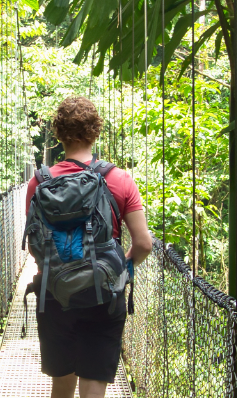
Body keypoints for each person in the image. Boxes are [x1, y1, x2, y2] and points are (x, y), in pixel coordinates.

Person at [24, 96, 153, 398]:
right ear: (96, 132)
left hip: (55, 293)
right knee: (94, 382)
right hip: (104, 293)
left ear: (58, 134)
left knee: (62, 384)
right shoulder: (119, 179)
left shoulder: (39, 182)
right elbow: (144, 244)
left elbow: (35, 246)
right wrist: (125, 270)